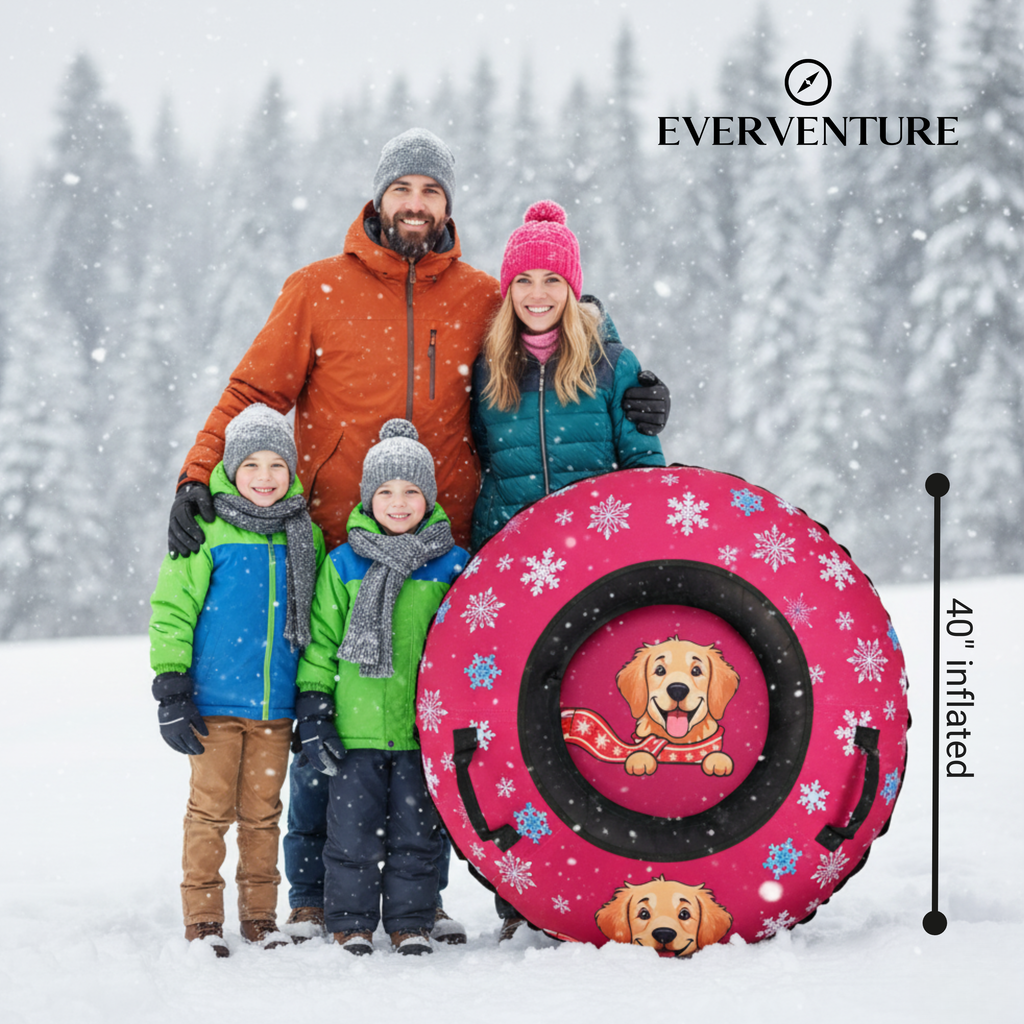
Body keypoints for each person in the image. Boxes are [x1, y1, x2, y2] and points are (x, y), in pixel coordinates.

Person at [165, 129, 671, 939]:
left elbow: (552, 320)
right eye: (403, 190)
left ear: (447, 205)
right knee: (324, 723)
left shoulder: (475, 295)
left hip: (444, 554)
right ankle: (311, 891)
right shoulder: (316, 291)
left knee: (424, 720)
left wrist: (634, 380)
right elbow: (255, 389)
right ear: (378, 199)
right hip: (335, 542)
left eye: (431, 192)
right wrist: (199, 475)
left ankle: (414, 895)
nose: (415, 205)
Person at [470, 201, 667, 940]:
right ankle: (520, 883)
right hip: (513, 565)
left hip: (597, 565)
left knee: (590, 712)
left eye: (552, 279)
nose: (538, 294)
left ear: (572, 285)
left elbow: (642, 463)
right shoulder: (489, 364)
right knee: (518, 722)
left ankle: (599, 872)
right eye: (525, 279)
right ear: (509, 288)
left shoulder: (612, 364)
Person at [149, 404, 326, 957]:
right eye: (252, 464)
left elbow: (317, 624)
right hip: (214, 705)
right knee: (209, 812)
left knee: (262, 816)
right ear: (230, 467)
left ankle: (259, 917)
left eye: (278, 464)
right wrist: (172, 686)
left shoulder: (306, 537)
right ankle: (203, 917)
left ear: (293, 472)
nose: (266, 477)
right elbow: (173, 608)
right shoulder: (205, 530)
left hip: (274, 707)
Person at [293, 419, 467, 956]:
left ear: (428, 497)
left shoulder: (452, 564)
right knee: (351, 839)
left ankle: (411, 923)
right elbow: (322, 642)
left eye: (411, 491)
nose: (398, 503)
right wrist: (317, 707)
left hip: (420, 733)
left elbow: (464, 648)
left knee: (418, 838)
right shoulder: (344, 563)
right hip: (357, 730)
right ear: (368, 500)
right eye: (386, 492)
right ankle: (351, 923)